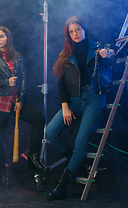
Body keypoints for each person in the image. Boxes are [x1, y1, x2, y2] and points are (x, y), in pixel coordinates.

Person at [45, 16, 115, 201]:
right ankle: (79, 163)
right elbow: (61, 84)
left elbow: (111, 67)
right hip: (73, 101)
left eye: (78, 30)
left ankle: (62, 186)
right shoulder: (66, 54)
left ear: (84, 29)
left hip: (94, 98)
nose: (75, 34)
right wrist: (65, 106)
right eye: (71, 31)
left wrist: (110, 54)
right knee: (50, 132)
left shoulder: (98, 47)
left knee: (80, 142)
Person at [0, 26, 48, 188]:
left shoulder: (17, 57)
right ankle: (2, 172)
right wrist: (6, 82)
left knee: (39, 119)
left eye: (2, 36)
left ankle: (33, 157)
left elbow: (23, 79)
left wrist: (20, 100)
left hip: (13, 101)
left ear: (8, 38)